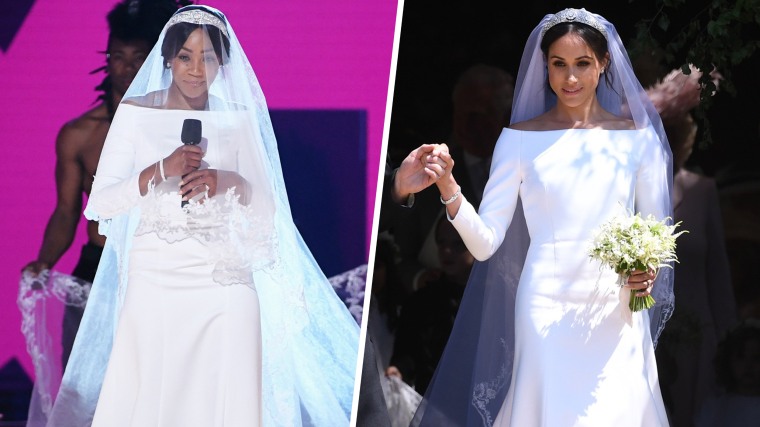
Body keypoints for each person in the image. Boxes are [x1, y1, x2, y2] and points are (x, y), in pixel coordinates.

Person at [44, 6, 358, 426]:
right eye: (186, 57)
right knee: (154, 396)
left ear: (222, 62)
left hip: (225, 276)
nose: (196, 69)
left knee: (228, 397)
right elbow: (101, 204)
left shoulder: (238, 118)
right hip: (156, 275)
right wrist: (162, 170)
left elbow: (268, 210)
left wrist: (226, 181)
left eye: (208, 57)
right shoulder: (137, 115)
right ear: (168, 58)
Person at [411, 8, 674, 426]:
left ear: (603, 64)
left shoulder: (638, 141)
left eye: (582, 64)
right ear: (545, 66)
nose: (570, 78)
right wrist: (450, 189)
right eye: (559, 65)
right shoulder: (517, 140)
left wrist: (649, 271)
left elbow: (660, 235)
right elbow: (484, 244)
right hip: (544, 305)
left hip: (617, 306)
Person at [21, 0, 189, 369]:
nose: (127, 67)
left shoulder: (176, 127)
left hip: (158, 264)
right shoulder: (80, 135)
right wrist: (45, 262)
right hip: (97, 266)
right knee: (85, 380)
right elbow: (66, 211)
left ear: (154, 61)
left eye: (137, 57)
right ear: (107, 59)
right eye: (118, 55)